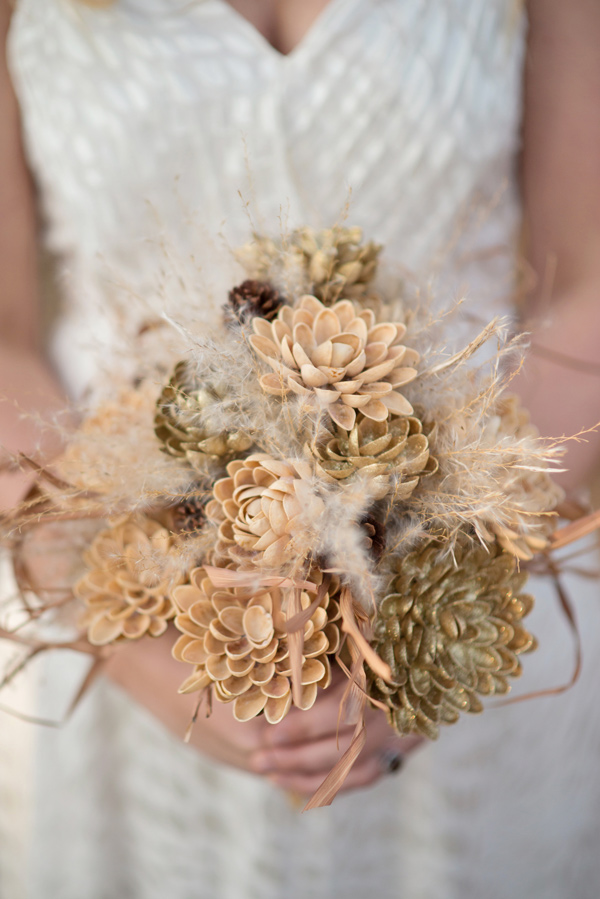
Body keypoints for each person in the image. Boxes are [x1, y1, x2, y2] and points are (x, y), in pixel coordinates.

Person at [0, 0, 599, 897]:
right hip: (118, 620)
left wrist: (429, 639)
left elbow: (584, 284)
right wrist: (126, 644)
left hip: (479, 600)